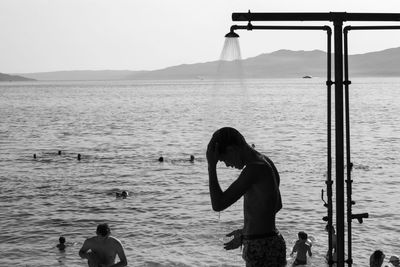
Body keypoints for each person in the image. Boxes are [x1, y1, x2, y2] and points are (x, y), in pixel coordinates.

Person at [206, 127, 286, 266]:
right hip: (269, 242)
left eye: (223, 160)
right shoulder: (266, 162)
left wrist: (211, 166)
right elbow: (276, 205)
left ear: (232, 149)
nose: (227, 165)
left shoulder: (253, 170)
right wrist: (246, 232)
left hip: (261, 247)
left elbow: (218, 204)